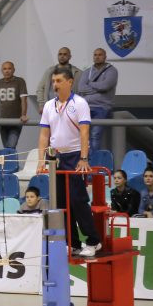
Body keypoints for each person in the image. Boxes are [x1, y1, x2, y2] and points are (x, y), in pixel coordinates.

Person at [36, 65, 104, 258]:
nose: (55, 85)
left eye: (58, 81)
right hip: (55, 157)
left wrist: (83, 158)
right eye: (53, 82)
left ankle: (93, 241)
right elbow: (43, 134)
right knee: (61, 202)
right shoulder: (49, 105)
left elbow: (85, 131)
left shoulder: (80, 103)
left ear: (70, 82)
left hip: (75, 155)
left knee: (78, 200)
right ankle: (72, 243)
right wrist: (41, 160)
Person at [77, 48, 118, 153]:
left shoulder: (112, 70)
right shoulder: (87, 71)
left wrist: (90, 84)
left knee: (95, 135)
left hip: (101, 107)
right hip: (85, 107)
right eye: (95, 55)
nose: (97, 57)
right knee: (81, 135)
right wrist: (97, 88)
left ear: (105, 57)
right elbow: (81, 88)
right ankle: (84, 160)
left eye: (100, 55)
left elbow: (105, 86)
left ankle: (93, 163)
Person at [36, 47, 82, 112]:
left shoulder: (77, 73)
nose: (62, 56)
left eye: (65, 54)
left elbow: (82, 92)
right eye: (60, 54)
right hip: (51, 108)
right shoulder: (50, 71)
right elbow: (40, 88)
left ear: (70, 57)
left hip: (70, 109)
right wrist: (41, 105)